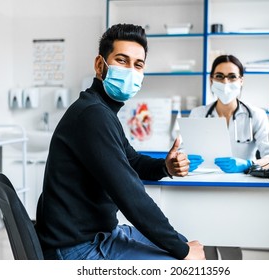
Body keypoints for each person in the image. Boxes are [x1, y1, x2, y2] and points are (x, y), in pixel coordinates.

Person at [35, 23, 205, 260]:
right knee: (184, 261)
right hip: (78, 248)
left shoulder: (100, 110)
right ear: (99, 65)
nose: (130, 71)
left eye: (138, 65)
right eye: (122, 61)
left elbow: (131, 160)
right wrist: (183, 250)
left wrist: (164, 167)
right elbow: (131, 196)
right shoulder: (93, 115)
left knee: (181, 245)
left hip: (97, 235)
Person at [188, 54, 269, 259]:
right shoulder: (198, 114)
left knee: (231, 248)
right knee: (205, 247)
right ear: (211, 80)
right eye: (219, 76)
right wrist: (185, 161)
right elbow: (181, 153)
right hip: (202, 190)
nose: (225, 82)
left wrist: (248, 164)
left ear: (241, 81)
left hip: (238, 190)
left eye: (232, 77)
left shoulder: (256, 115)